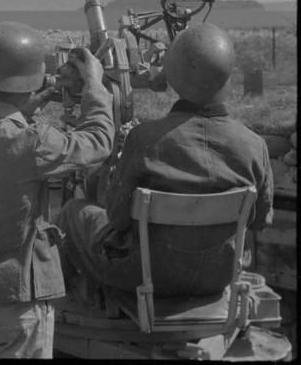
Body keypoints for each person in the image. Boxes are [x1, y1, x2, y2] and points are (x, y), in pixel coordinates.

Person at [0, 21, 114, 359]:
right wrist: (94, 84)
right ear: (29, 80)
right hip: (13, 302)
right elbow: (99, 142)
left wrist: (31, 103)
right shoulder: (35, 142)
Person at [58, 23, 274, 298]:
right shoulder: (255, 145)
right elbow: (261, 220)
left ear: (171, 76)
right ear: (227, 78)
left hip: (144, 275)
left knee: (73, 212)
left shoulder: (144, 139)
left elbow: (117, 217)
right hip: (219, 275)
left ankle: (70, 303)